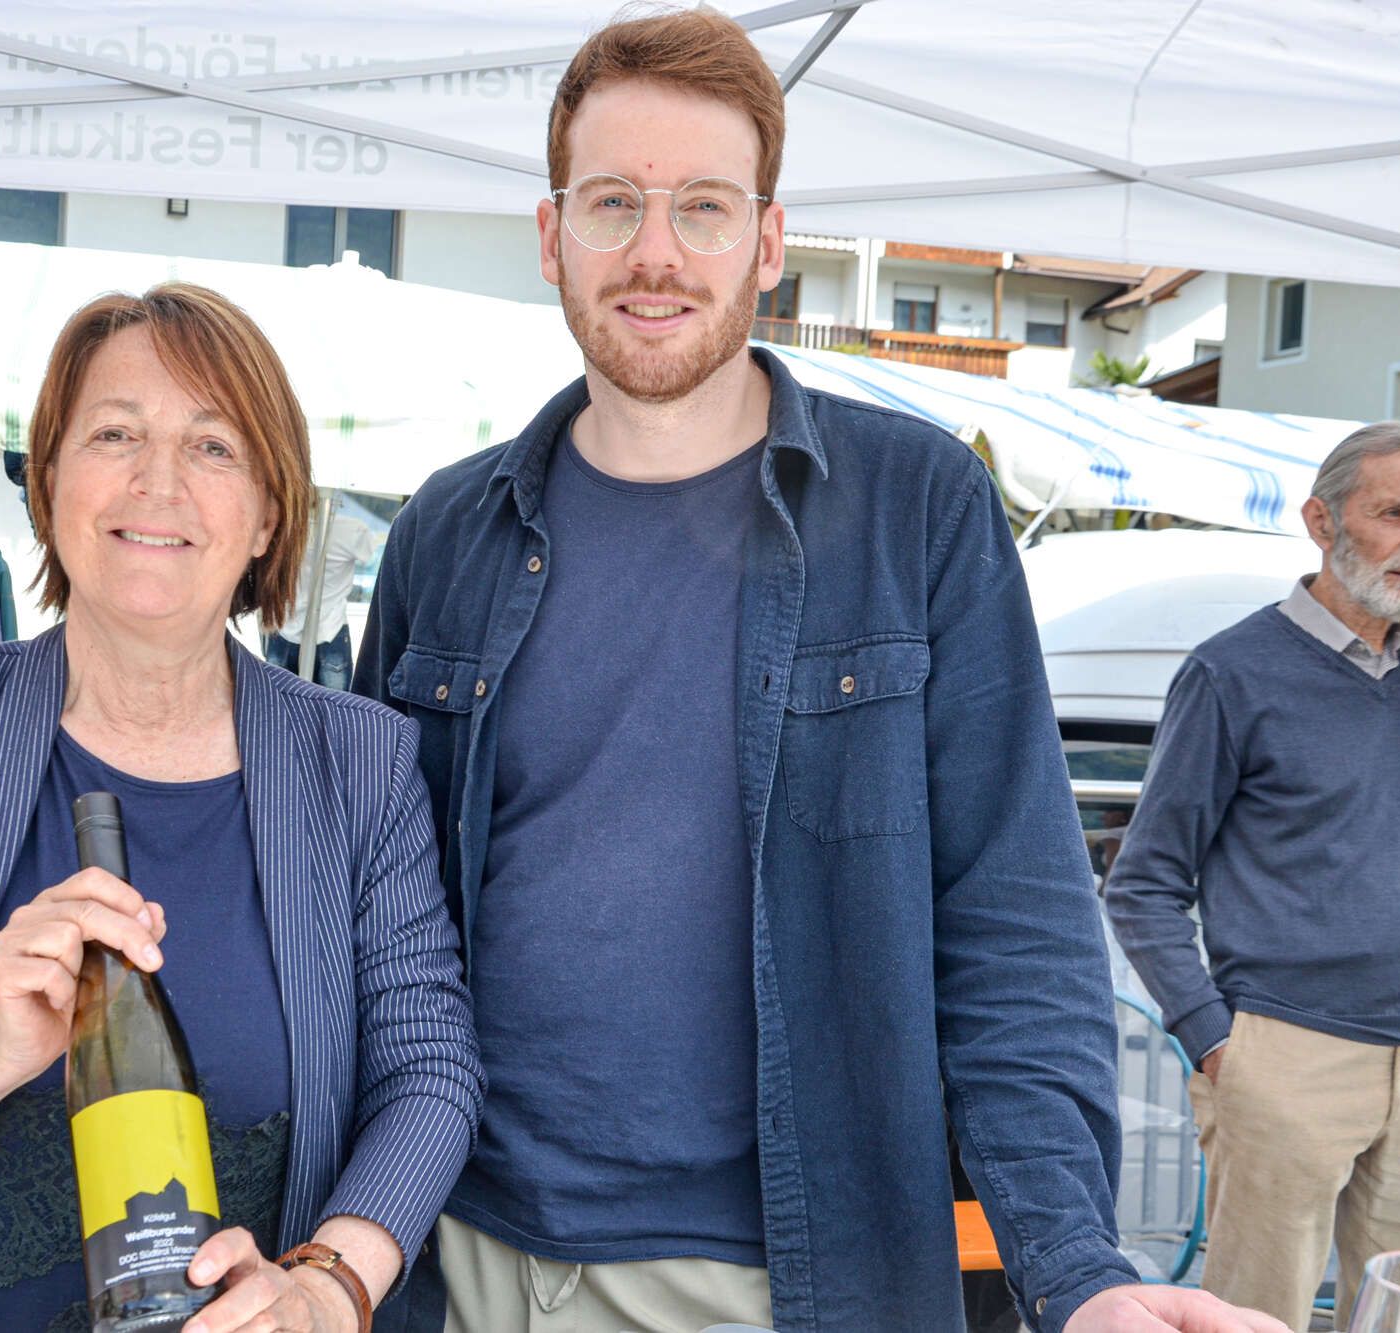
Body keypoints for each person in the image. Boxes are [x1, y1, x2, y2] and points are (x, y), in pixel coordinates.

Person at [356, 11, 1287, 1333]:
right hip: (455, 1254)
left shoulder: (916, 509)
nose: (656, 252)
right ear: (552, 235)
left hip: (783, 1281)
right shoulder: (448, 533)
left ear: (768, 242)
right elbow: (375, 920)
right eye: (613, 203)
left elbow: (1015, 930)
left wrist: (1075, 1271)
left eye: (704, 206)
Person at [0, 284, 483, 1333]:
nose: (158, 481)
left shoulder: (357, 761)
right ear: (48, 482)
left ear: (269, 515)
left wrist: (328, 1283)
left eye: (213, 447)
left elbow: (429, 1072)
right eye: (115, 433)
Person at [1106, 421, 1400, 1331]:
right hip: (1285, 1050)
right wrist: (1220, 1043)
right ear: (1322, 522)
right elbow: (1143, 883)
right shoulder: (1231, 673)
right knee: (1253, 1317)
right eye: (1397, 513)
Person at [266, 507, 376, 690]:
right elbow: (373, 561)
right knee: (334, 705)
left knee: (274, 701)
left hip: (287, 626)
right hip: (329, 629)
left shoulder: (284, 525)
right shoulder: (353, 530)